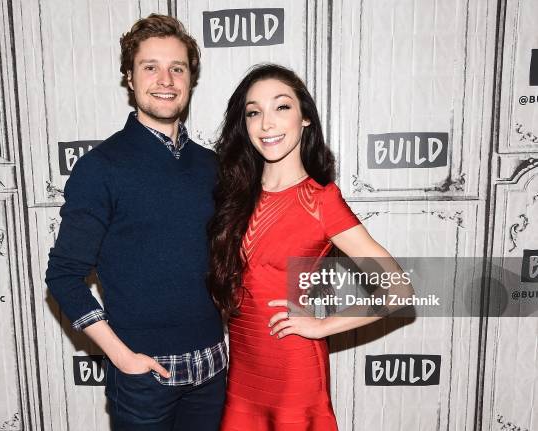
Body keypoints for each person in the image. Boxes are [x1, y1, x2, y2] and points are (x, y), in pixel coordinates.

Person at [46, 14, 226, 431]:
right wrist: (123, 358)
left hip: (214, 369)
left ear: (190, 79)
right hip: (145, 379)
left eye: (176, 68)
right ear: (130, 77)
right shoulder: (100, 168)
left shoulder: (214, 166)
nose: (165, 79)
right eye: (150, 67)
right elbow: (64, 277)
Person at [208, 64, 412, 430]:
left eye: (281, 107)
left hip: (294, 371)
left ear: (305, 118)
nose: (267, 123)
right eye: (254, 112)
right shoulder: (234, 196)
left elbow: (399, 290)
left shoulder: (321, 201)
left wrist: (324, 326)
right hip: (243, 373)